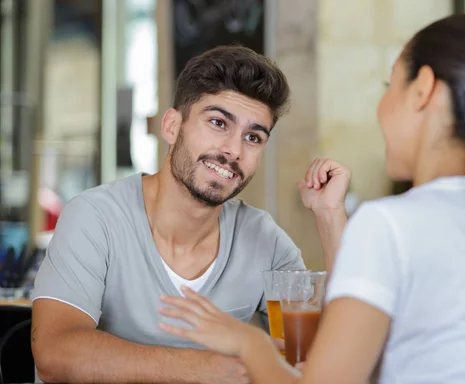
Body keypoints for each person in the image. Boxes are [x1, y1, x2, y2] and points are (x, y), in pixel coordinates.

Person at [158, 15, 465, 384]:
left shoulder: (389, 223)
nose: (382, 105)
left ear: (422, 90)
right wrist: (331, 212)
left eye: (390, 85)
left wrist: (247, 341)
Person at [31, 45, 350, 383]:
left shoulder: (263, 240)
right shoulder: (95, 218)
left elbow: (334, 352)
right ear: (171, 126)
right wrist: (204, 368)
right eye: (217, 122)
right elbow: (55, 353)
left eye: (253, 137)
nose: (233, 150)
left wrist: (330, 215)